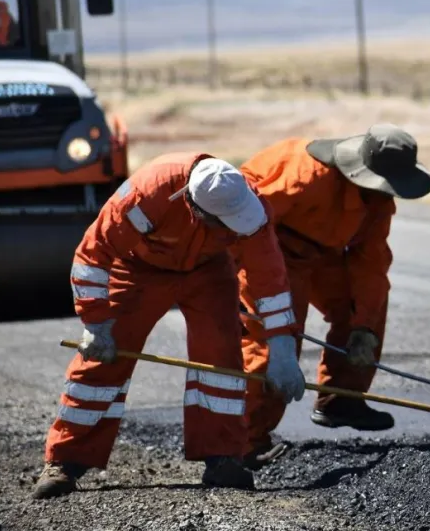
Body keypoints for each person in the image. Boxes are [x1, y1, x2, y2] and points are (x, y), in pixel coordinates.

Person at [33, 153, 308, 499]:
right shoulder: (148, 194)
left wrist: (282, 349)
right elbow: (93, 254)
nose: (233, 228)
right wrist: (96, 322)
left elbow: (270, 277)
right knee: (104, 359)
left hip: (208, 271)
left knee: (221, 360)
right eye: (225, 223)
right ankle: (64, 461)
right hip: (138, 269)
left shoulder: (247, 201)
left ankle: (223, 457)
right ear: (195, 208)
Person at [236, 124, 430, 470]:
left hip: (323, 256)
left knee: (367, 305)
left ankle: (340, 399)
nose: (385, 195)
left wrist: (363, 329)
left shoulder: (377, 203)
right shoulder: (300, 177)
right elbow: (241, 222)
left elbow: (371, 263)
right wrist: (226, 275)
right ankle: (243, 444)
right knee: (275, 342)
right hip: (271, 251)